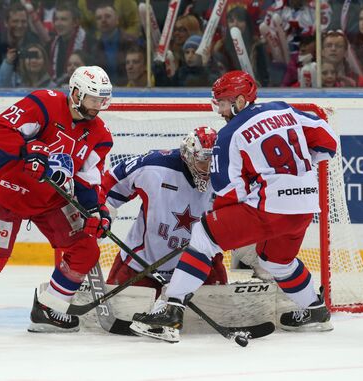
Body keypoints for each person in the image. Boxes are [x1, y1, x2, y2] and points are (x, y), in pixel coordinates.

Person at [130, 70, 338, 343]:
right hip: (305, 204)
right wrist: (293, 170)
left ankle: (171, 310)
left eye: (224, 102)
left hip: (268, 208)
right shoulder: (284, 110)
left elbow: (228, 192)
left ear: (240, 101)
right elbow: (328, 142)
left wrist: (227, 219)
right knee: (276, 261)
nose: (220, 110)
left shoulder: (229, 134)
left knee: (204, 235)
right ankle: (315, 310)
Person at [0, 66, 114, 333]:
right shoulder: (43, 104)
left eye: (103, 100)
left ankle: (47, 309)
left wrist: (97, 210)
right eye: (94, 99)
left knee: (86, 249)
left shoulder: (100, 136)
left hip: (51, 201)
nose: (99, 106)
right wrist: (25, 149)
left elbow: (88, 180)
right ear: (77, 93)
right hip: (9, 193)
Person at [103, 127, 227, 298]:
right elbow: (110, 185)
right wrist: (100, 212)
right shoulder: (154, 167)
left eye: (214, 161)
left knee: (217, 313)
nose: (209, 168)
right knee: (119, 317)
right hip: (141, 265)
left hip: (199, 267)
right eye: (203, 160)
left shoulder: (229, 174)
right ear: (189, 156)